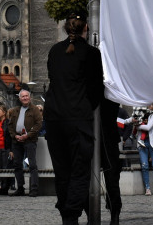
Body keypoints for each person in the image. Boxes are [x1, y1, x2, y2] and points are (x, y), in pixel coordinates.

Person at [45, 13, 103, 225]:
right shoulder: (91, 53)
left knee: (62, 172)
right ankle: (71, 216)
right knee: (80, 173)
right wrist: (86, 107)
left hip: (54, 119)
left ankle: (67, 216)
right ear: (85, 28)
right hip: (77, 119)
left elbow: (52, 78)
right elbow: (97, 89)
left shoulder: (54, 51)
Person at [8, 88, 43, 196]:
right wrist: (15, 136)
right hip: (17, 141)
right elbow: (10, 125)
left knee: (32, 165)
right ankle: (20, 188)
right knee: (17, 165)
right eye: (22, 96)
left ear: (30, 97)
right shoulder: (15, 110)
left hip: (30, 140)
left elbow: (38, 124)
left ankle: (34, 189)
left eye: (26, 96)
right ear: (19, 98)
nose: (25, 98)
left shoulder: (35, 109)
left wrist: (27, 135)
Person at [136, 103, 153, 195]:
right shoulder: (139, 113)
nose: (150, 105)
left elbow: (148, 127)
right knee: (144, 166)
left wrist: (137, 126)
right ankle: (147, 188)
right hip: (142, 142)